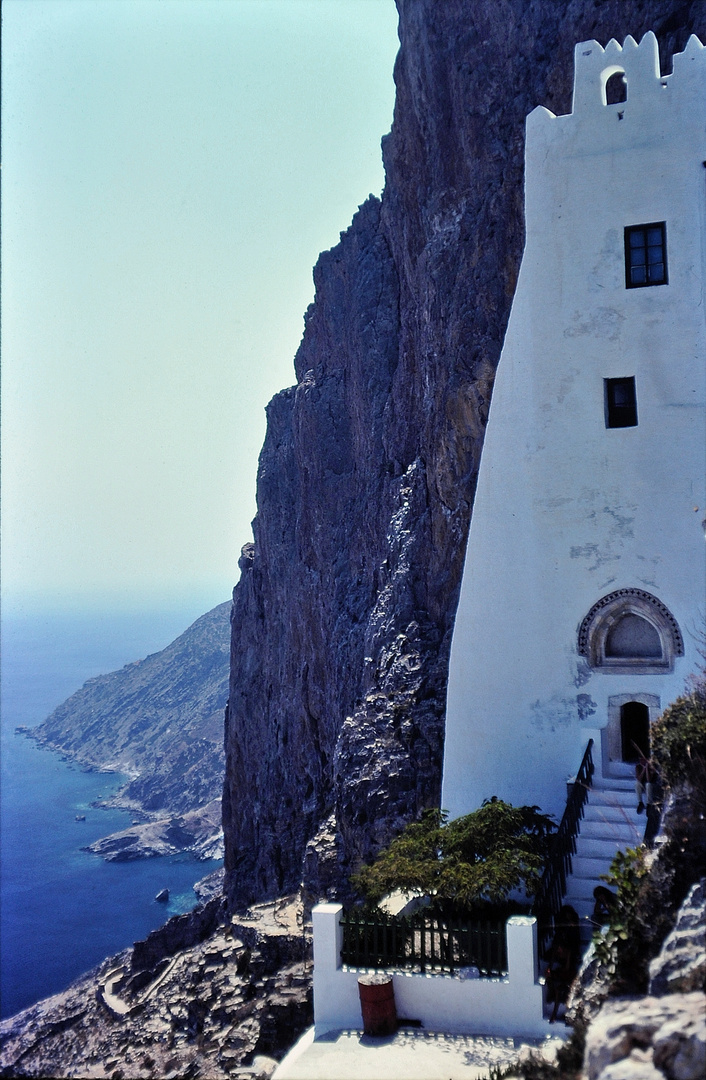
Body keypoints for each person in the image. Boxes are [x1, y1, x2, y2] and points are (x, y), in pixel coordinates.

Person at [545, 905, 581, 1023]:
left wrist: (559, 973)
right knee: (551, 980)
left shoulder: (569, 950)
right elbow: (551, 962)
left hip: (568, 971)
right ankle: (552, 995)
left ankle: (554, 1013)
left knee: (559, 989)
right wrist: (550, 970)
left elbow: (567, 968)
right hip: (562, 972)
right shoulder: (557, 948)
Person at [635, 748, 657, 814]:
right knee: (637, 784)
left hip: (651, 786)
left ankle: (649, 804)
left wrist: (647, 768)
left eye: (643, 759)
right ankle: (640, 803)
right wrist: (643, 769)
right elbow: (639, 779)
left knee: (648, 785)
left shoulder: (651, 767)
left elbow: (649, 779)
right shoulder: (638, 767)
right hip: (643, 784)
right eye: (640, 759)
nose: (641, 761)